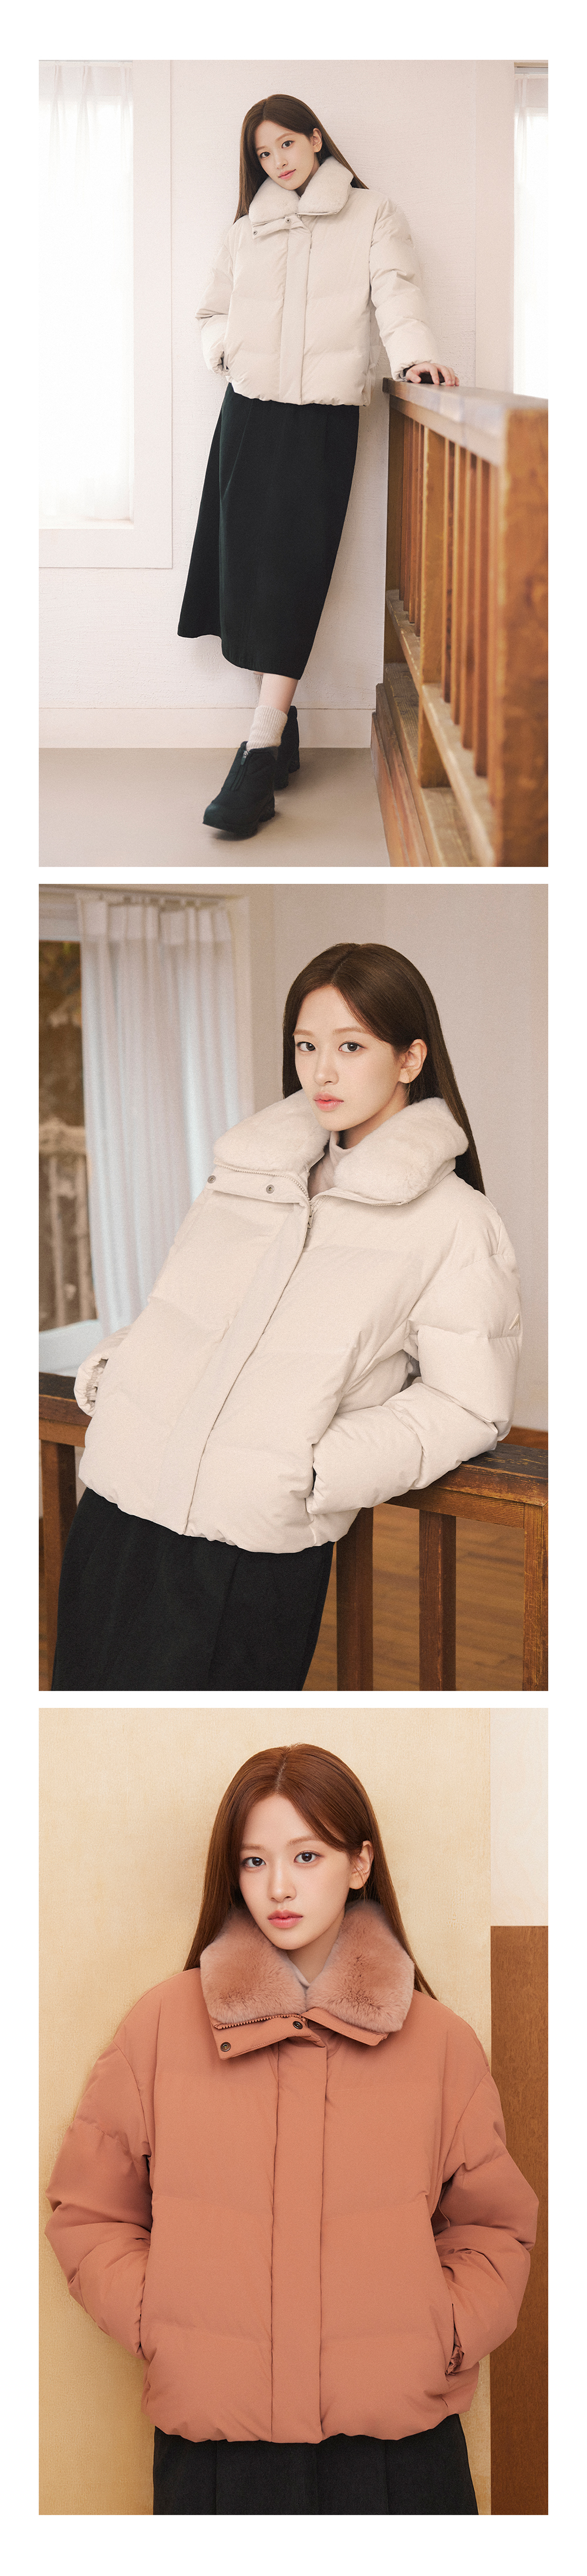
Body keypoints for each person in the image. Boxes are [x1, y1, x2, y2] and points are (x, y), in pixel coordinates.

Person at [46, 1740, 538, 2516]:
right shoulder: (161, 2025)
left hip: (402, 2456)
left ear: (359, 1862)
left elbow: (495, 2227)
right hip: (216, 2460)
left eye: (307, 1856)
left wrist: (440, 2332)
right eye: (253, 1861)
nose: (277, 1886)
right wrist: (160, 2322)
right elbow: (88, 2209)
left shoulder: (440, 2042)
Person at [52, 941, 521, 1690]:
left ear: (409, 1059)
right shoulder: (245, 1176)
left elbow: (469, 1405)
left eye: (350, 1046)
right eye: (306, 1046)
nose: (321, 1072)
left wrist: (311, 1471)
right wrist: (121, 1369)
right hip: (116, 1506)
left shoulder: (455, 1222)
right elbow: (186, 1312)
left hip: (250, 1544)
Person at [177, 94, 458, 838]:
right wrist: (227, 351)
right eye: (263, 154)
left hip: (321, 421)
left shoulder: (372, 214)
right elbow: (210, 312)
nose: (277, 162)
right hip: (249, 413)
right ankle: (284, 731)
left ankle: (259, 750)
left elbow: (396, 294)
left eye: (285, 145)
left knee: (291, 574)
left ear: (314, 138)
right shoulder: (246, 229)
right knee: (247, 573)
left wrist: (416, 357)